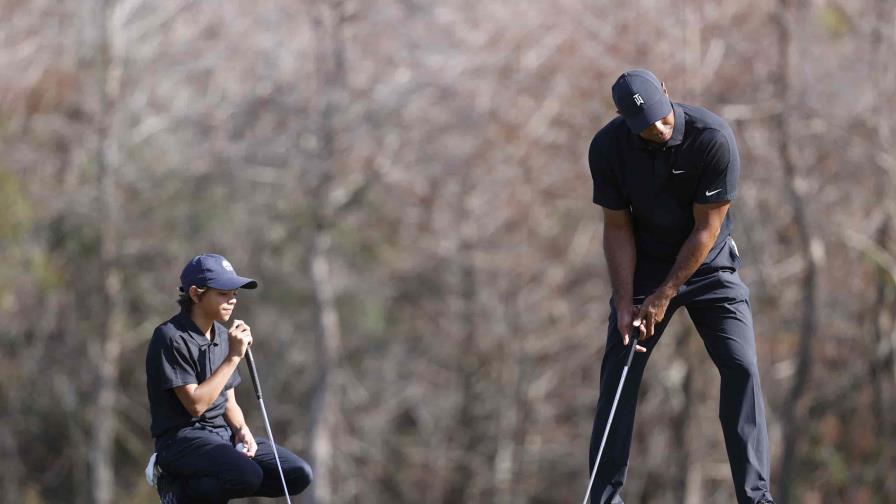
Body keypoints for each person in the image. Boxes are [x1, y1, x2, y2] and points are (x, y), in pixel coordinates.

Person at [585, 69, 775, 504]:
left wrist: (664, 295)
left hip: (709, 268)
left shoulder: (712, 138)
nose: (658, 126)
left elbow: (705, 231)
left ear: (667, 93)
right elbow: (616, 227)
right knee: (620, 373)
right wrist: (624, 301)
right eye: (646, 124)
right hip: (645, 266)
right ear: (622, 118)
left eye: (661, 116)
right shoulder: (608, 148)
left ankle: (756, 497)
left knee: (741, 366)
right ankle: (603, 498)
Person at [145, 253, 312, 503]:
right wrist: (234, 357)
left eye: (234, 293)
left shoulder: (223, 336)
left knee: (298, 474)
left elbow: (229, 401)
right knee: (246, 476)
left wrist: (242, 430)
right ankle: (176, 489)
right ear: (195, 294)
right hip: (181, 440)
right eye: (223, 293)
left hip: (221, 436)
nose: (232, 300)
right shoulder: (170, 337)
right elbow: (196, 404)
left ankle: (197, 486)